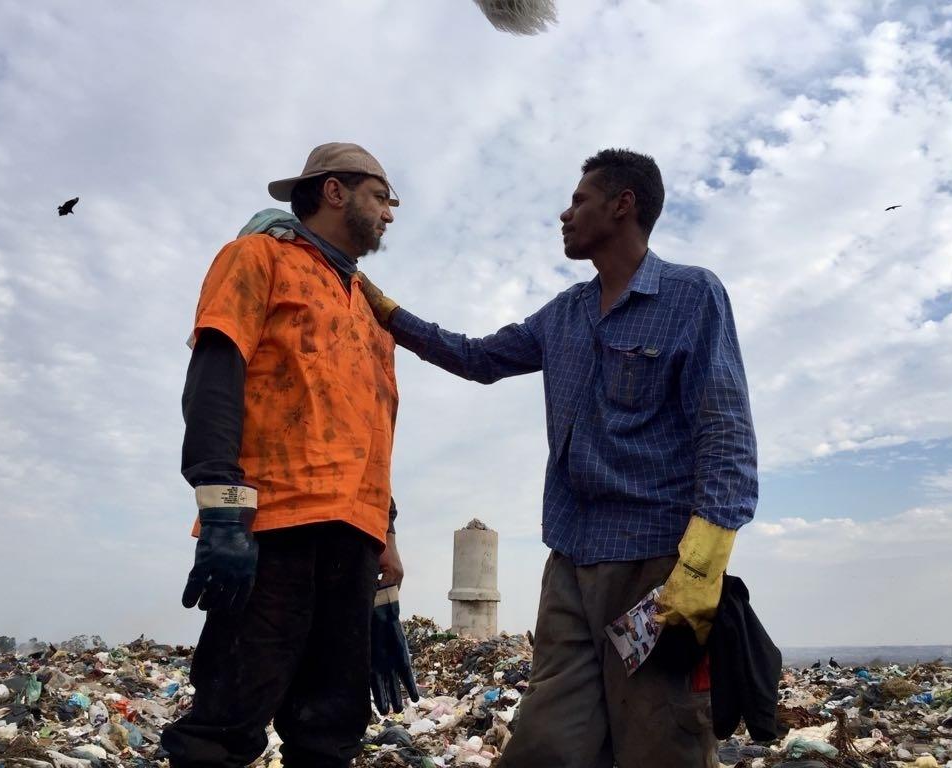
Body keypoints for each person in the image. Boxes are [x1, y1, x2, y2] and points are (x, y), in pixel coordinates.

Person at [359, 148, 757, 767]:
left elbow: (725, 427)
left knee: (660, 742)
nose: (564, 213)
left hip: (654, 567)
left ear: (623, 205)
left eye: (578, 200)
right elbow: (477, 357)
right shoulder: (565, 314)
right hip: (570, 560)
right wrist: (385, 311)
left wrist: (703, 564)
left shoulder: (691, 295)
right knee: (548, 743)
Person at [161, 143, 417, 768]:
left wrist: (384, 534)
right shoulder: (258, 258)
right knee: (228, 717)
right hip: (272, 525)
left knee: (331, 726)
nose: (389, 214)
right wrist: (220, 502)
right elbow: (216, 372)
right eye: (383, 197)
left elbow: (372, 427)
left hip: (351, 537)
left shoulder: (371, 310)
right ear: (335, 191)